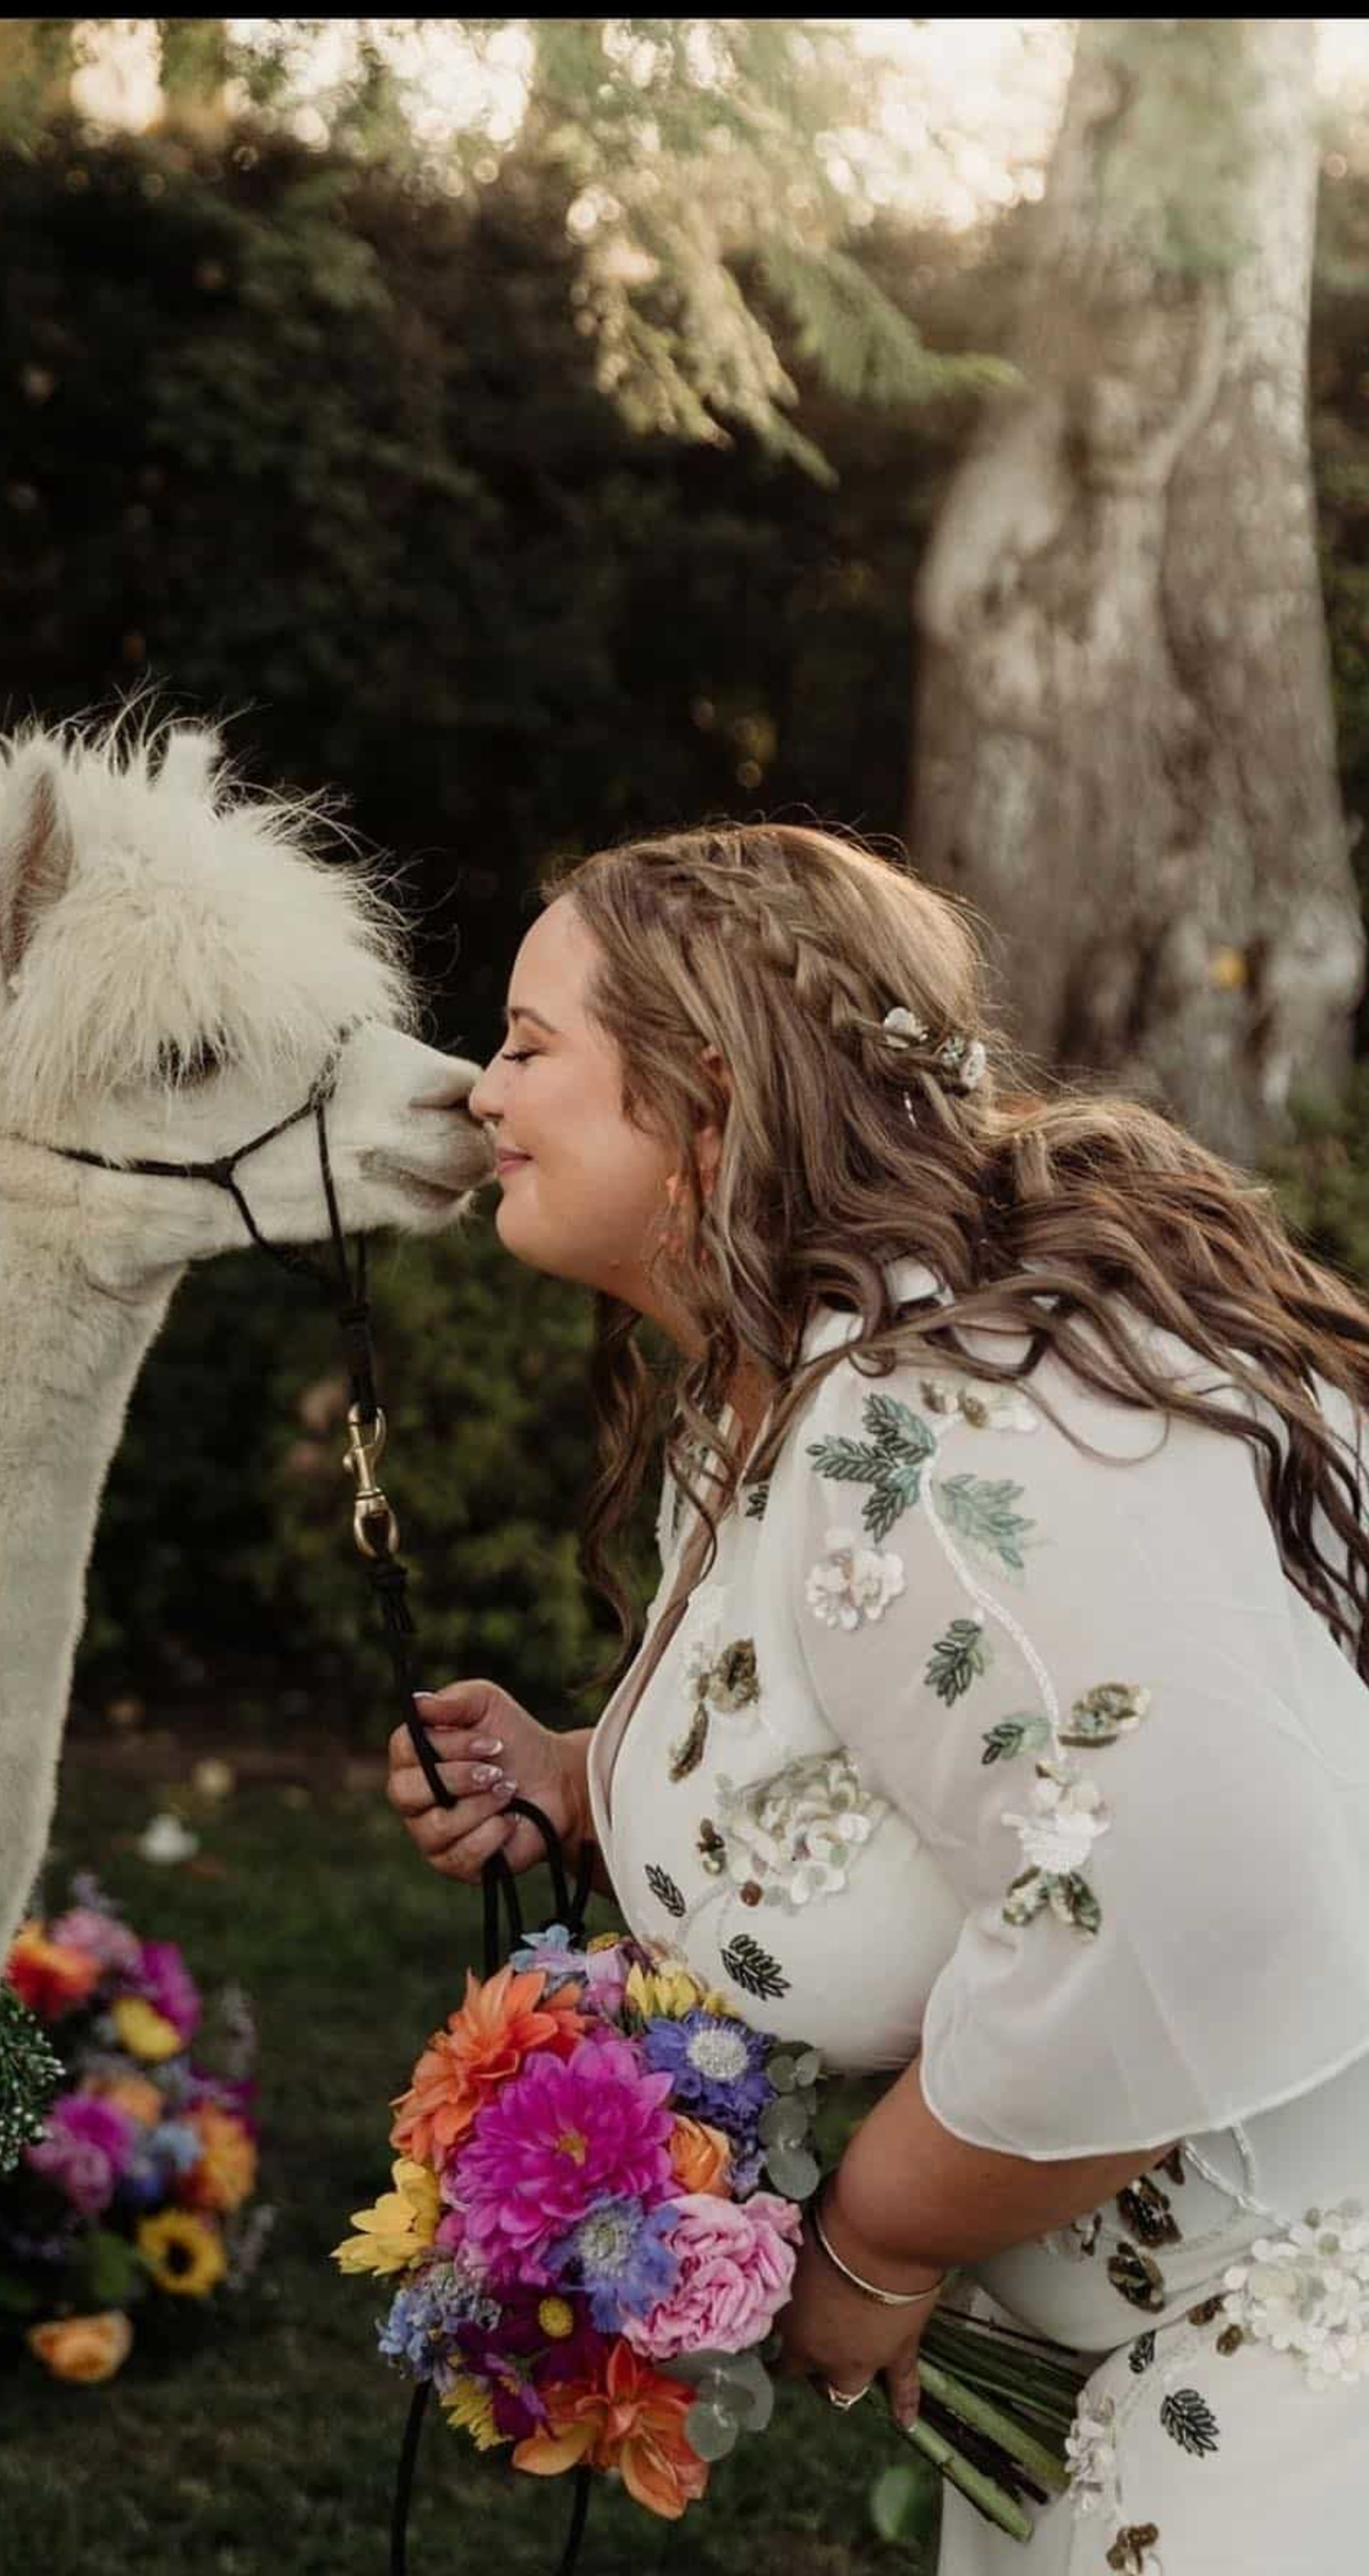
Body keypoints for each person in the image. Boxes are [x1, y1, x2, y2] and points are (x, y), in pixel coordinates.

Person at [385, 824, 1369, 2575]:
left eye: (531, 1044)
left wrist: (878, 2242)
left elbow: (1187, 1883)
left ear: (701, 1098)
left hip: (1287, 2391)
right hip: (1091, 2389)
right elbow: (910, 1783)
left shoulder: (924, 1433)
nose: (483, 1090)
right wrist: (593, 1786)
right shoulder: (780, 1397)